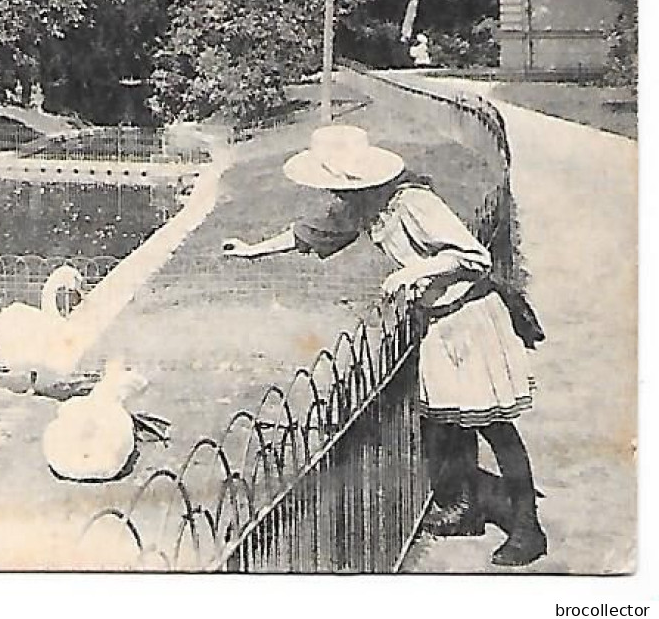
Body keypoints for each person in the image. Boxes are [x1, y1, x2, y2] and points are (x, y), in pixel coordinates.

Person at [221, 124, 547, 567]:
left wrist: (412, 272)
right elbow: (310, 235)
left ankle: (529, 529)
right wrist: (250, 251)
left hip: (469, 316)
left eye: (339, 185)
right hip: (438, 320)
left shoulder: (412, 203)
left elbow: (474, 257)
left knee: (494, 424)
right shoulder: (365, 208)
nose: (337, 195)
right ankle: (465, 509)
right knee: (447, 421)